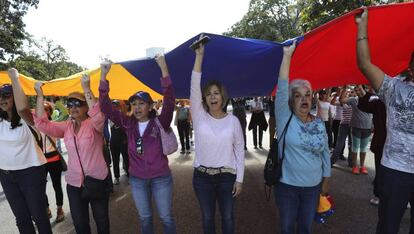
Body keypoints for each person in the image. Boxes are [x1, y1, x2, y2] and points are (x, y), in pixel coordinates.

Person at [99, 55, 177, 234]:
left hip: (161, 178)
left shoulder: (161, 122)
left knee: (166, 217)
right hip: (137, 180)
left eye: (142, 103)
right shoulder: (127, 123)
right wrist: (104, 76)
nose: (137, 107)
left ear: (150, 107)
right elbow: (105, 107)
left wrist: (163, 68)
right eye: (133, 104)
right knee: (144, 218)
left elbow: (170, 100)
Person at [356, 8, 414, 234]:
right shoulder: (393, 88)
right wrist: (362, 25)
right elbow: (364, 64)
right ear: (410, 66)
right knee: (388, 227)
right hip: (395, 171)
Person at [34, 74, 110, 234]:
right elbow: (41, 123)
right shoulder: (66, 126)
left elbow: (99, 115)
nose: (73, 107)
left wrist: (87, 89)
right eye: (70, 104)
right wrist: (40, 96)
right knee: (80, 225)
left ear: (86, 107)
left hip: (97, 180)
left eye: (78, 103)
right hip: (74, 184)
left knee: (102, 222)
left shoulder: (94, 124)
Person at [274, 42, 330, 234]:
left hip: (313, 187)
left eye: (308, 95)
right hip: (287, 186)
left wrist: (326, 177)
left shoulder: (319, 123)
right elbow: (282, 87)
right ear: (291, 101)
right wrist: (287, 56)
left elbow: (325, 153)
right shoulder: (284, 118)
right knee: (288, 228)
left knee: (305, 228)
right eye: (298, 96)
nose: (304, 99)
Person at [190, 38, 245, 234]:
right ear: (204, 99)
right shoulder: (199, 116)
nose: (213, 97)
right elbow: (194, 87)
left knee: (228, 217)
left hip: (227, 178)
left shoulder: (233, 121)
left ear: (223, 97)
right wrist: (199, 56)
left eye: (216, 93)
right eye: (209, 94)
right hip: (202, 178)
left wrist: (240, 179)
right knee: (207, 218)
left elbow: (239, 150)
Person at [0, 69, 52, 234]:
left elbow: (22, 107)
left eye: (6, 95)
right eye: (0, 96)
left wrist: (14, 78)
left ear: (15, 95)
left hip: (31, 173)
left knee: (39, 216)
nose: (2, 99)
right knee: (21, 219)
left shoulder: (27, 118)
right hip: (6, 175)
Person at [357, 90, 385, 206]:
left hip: (383, 142)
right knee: (382, 170)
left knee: (381, 170)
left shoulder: (380, 101)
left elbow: (363, 105)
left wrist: (368, 92)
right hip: (384, 142)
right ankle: (380, 195)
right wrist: (368, 92)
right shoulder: (380, 102)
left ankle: (380, 195)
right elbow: (363, 106)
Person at [340, 85, 372, 175]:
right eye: (356, 90)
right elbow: (342, 100)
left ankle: (362, 166)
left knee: (363, 149)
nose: (357, 91)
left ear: (364, 89)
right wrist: (344, 88)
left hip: (367, 128)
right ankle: (355, 166)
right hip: (356, 127)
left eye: (359, 89)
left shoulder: (371, 99)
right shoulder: (354, 99)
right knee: (355, 147)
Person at [42, 102, 65, 222]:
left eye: (46, 109)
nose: (44, 111)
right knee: (40, 188)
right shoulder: (36, 125)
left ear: (50, 112)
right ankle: (46, 209)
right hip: (41, 161)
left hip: (54, 159)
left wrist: (56, 102)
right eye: (42, 109)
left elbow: (65, 113)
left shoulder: (53, 124)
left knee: (57, 186)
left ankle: (60, 209)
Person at [109, 100, 129, 185]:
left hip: (123, 140)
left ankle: (129, 175)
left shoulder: (123, 116)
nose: (115, 107)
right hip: (113, 141)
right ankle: (116, 177)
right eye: (113, 106)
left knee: (126, 158)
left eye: (116, 105)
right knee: (115, 160)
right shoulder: (109, 116)